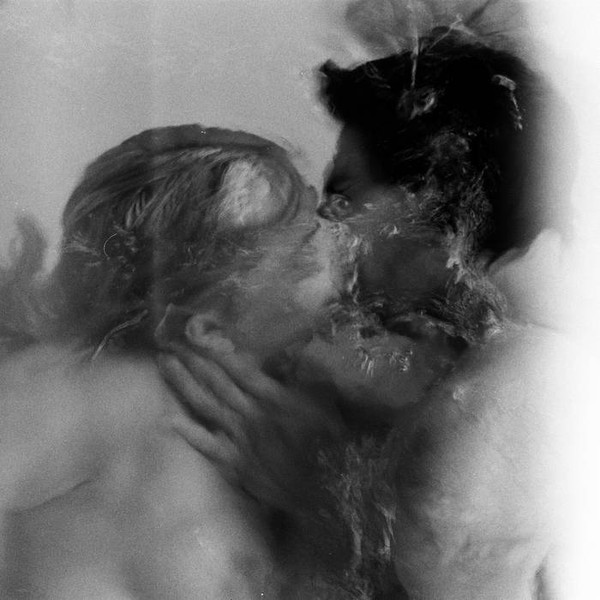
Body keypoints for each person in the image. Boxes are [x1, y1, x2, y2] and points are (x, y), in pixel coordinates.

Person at [163, 19, 580, 600]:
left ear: (431, 194)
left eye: (346, 194)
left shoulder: (482, 419)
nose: (327, 222)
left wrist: (319, 498)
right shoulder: (524, 370)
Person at [0, 124, 359, 599]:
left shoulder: (282, 419)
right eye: (302, 258)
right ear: (208, 331)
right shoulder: (118, 391)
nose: (338, 275)